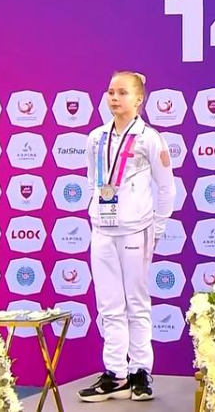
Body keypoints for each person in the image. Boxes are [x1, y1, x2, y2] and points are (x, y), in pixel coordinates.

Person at [78, 71, 175, 401]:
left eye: (122, 93)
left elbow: (167, 188)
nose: (114, 98)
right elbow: (92, 180)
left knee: (136, 301)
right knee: (109, 305)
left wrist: (156, 228)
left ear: (139, 99)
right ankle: (115, 372)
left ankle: (140, 371)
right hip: (102, 230)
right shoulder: (96, 138)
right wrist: (94, 213)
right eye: (110, 92)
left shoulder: (150, 138)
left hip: (137, 229)